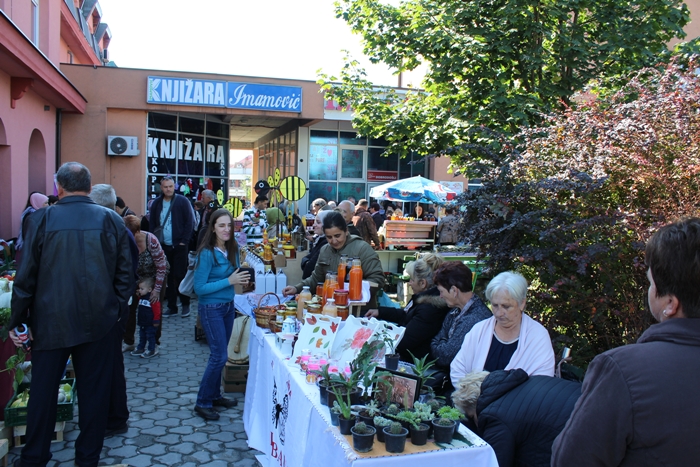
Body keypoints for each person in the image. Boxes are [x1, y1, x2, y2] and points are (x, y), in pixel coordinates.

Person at [9, 162, 133, 467]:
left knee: (43, 391)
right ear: (89, 187)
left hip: (51, 322)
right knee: (94, 393)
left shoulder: (41, 218)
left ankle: (34, 457)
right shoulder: (111, 219)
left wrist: (18, 320)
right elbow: (125, 275)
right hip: (99, 322)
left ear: (59, 188)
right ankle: (87, 458)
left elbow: (25, 276)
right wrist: (116, 311)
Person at [551, 217, 700, 466]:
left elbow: (571, 459)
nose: (648, 291)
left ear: (670, 304)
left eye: (651, 283)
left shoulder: (622, 370)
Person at [89, 184, 139, 438]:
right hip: (112, 307)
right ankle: (113, 416)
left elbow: (128, 273)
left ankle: (116, 418)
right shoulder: (113, 227)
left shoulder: (116, 229)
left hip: (113, 309)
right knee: (111, 363)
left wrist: (118, 305)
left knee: (111, 364)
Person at [453, 369, 581, 467]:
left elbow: (495, 462)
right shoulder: (526, 381)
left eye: (472, 416)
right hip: (586, 412)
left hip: (575, 440)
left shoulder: (495, 415)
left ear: (474, 404)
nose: (475, 422)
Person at [193, 209, 250, 421]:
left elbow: (235, 275)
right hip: (211, 308)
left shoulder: (232, 248)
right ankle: (202, 402)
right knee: (219, 357)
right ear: (213, 228)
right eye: (221, 225)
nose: (227, 230)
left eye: (229, 225)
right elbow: (199, 288)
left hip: (227, 306)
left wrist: (241, 279)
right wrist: (229, 281)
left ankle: (215, 395)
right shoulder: (206, 253)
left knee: (220, 354)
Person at [450, 271, 555, 386]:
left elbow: (541, 383)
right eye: (495, 305)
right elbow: (458, 369)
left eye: (506, 306)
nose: (499, 313)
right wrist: (471, 393)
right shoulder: (479, 330)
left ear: (522, 303)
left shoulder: (538, 337)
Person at [283, 211, 385, 308]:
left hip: (359, 311)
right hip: (331, 308)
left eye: (337, 236)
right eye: (329, 237)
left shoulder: (362, 248)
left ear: (346, 231)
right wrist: (296, 288)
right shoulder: (325, 250)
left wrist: (353, 291)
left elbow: (378, 279)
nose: (334, 241)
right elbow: (315, 278)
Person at [365, 253, 449, 361]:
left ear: (423, 283)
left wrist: (374, 338)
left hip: (415, 361)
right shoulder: (423, 300)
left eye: (412, 280)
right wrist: (380, 312)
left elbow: (404, 341)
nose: (409, 283)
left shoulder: (429, 309)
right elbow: (406, 314)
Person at [430, 262, 492, 390]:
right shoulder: (455, 311)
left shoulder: (475, 318)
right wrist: (442, 342)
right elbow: (439, 342)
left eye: (441, 291)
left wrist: (441, 342)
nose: (440, 296)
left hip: (465, 387)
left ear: (454, 290)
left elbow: (445, 357)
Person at [148, 176, 195, 318]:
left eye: (170, 186)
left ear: (174, 186)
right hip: (163, 246)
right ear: (161, 187)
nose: (168, 189)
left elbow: (190, 222)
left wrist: (184, 241)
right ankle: (172, 306)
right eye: (165, 187)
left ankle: (185, 304)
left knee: (180, 275)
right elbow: (152, 223)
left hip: (179, 246)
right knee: (166, 276)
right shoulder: (157, 203)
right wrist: (154, 242)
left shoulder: (182, 201)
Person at [122, 215, 168, 353]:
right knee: (129, 308)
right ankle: (129, 341)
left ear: (137, 231)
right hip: (136, 277)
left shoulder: (151, 240)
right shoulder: (124, 242)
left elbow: (161, 266)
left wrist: (156, 290)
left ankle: (154, 343)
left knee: (154, 307)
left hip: (155, 276)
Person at [15, 192, 48, 266]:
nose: (47, 205)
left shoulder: (37, 214)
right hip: (30, 250)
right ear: (38, 203)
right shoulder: (31, 216)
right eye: (45, 203)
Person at [131, 277, 161, 358]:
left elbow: (157, 311)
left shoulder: (152, 299)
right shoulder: (142, 297)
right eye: (139, 288)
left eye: (142, 289)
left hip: (150, 323)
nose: (139, 290)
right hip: (142, 322)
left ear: (149, 289)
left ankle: (151, 349)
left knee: (150, 336)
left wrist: (156, 320)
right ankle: (141, 348)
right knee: (142, 336)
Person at [301, 210, 331, 279]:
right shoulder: (320, 240)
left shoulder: (325, 243)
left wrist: (306, 262)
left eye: (318, 222)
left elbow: (310, 267)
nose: (314, 225)